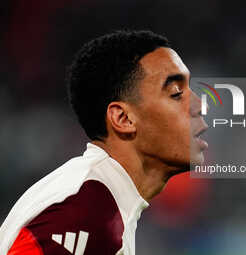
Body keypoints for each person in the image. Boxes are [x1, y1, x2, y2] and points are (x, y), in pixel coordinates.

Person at [0, 30, 208, 255]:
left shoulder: (103, 204)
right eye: (176, 93)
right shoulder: (84, 211)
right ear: (123, 119)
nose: (198, 105)